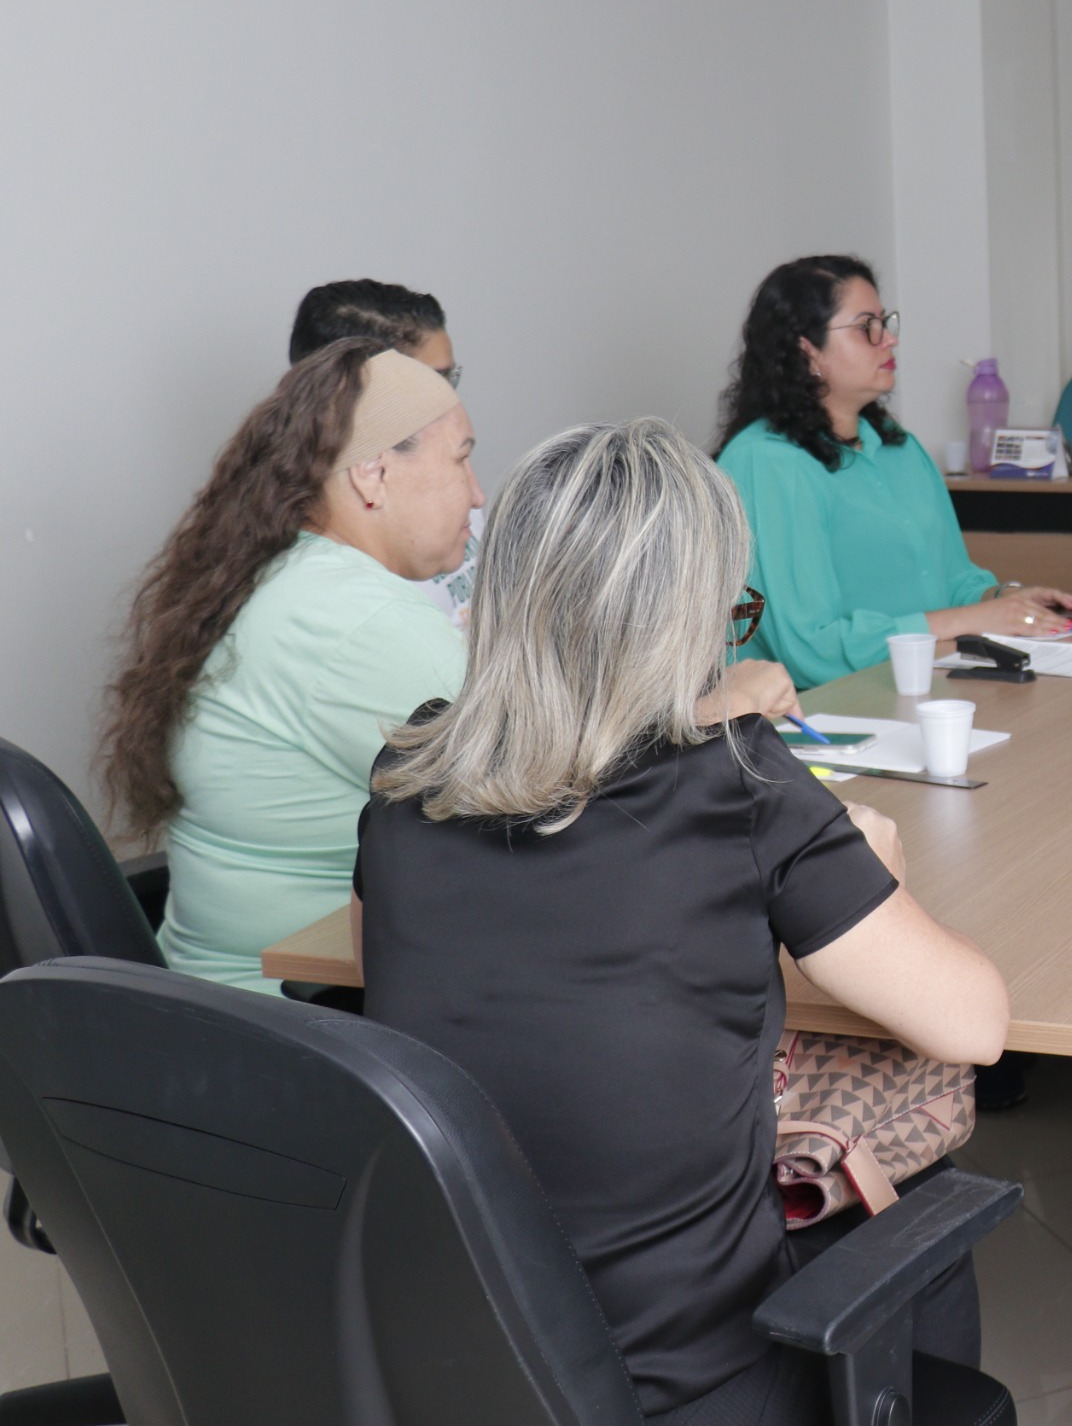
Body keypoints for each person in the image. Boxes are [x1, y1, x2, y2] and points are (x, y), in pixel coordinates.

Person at [357, 418, 1011, 1424]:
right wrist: (873, 870)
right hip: (691, 1386)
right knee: (925, 1195)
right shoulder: (742, 788)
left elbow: (412, 990)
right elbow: (974, 1023)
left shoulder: (408, 773)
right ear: (687, 620)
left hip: (451, 1363)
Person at [100, 345, 480, 991]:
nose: (477, 495)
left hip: (218, 1011)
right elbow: (545, 786)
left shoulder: (275, 577)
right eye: (463, 458)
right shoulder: (355, 618)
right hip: (306, 1023)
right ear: (373, 475)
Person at [715, 256, 1072, 685]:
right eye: (867, 327)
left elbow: (952, 582)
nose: (890, 341)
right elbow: (811, 648)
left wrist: (1006, 598)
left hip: (921, 681)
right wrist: (975, 621)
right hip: (818, 714)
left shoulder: (898, 446)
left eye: (886, 322)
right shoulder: (766, 463)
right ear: (807, 350)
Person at [288, 279, 478, 621]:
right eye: (433, 381)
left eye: (450, 379)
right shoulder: (335, 590)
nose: (450, 400)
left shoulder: (456, 488)